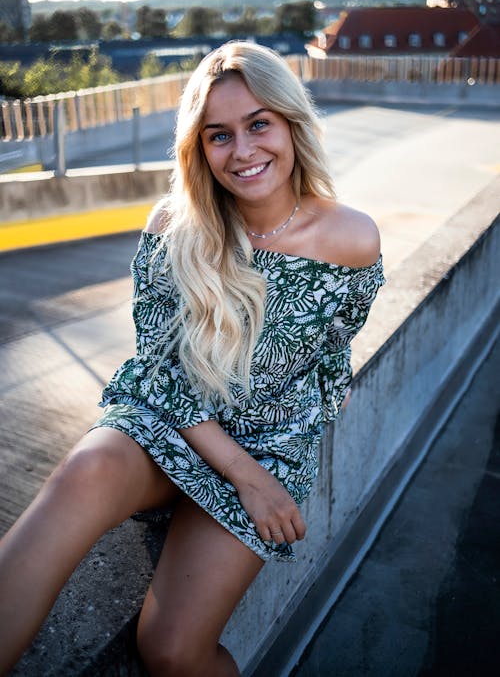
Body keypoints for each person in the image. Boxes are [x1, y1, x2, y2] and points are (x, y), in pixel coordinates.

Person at [0, 40, 385, 676]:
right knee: (81, 474)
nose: (243, 151)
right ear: (198, 149)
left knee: (172, 651)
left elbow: (326, 365)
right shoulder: (172, 230)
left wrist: (271, 467)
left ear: (291, 122)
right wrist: (243, 475)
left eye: (258, 124)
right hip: (168, 422)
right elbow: (158, 366)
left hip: (268, 443)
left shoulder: (352, 239)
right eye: (218, 136)